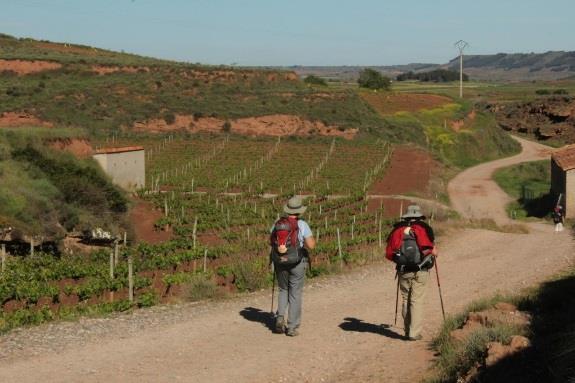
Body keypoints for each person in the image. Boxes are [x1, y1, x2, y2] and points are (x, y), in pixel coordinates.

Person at [386, 205, 437, 341]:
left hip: (403, 271)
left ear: (407, 216)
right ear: (419, 217)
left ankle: (407, 330)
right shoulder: (424, 228)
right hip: (421, 270)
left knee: (405, 299)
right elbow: (431, 250)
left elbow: (390, 253)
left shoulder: (397, 230)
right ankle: (414, 333)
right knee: (416, 300)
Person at [270, 196, 315, 337]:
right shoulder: (302, 224)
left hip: (280, 262)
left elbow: (270, 241)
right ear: (299, 211)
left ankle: (280, 318)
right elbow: (311, 245)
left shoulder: (277, 224)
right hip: (297, 262)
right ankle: (291, 327)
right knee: (295, 293)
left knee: (283, 289)